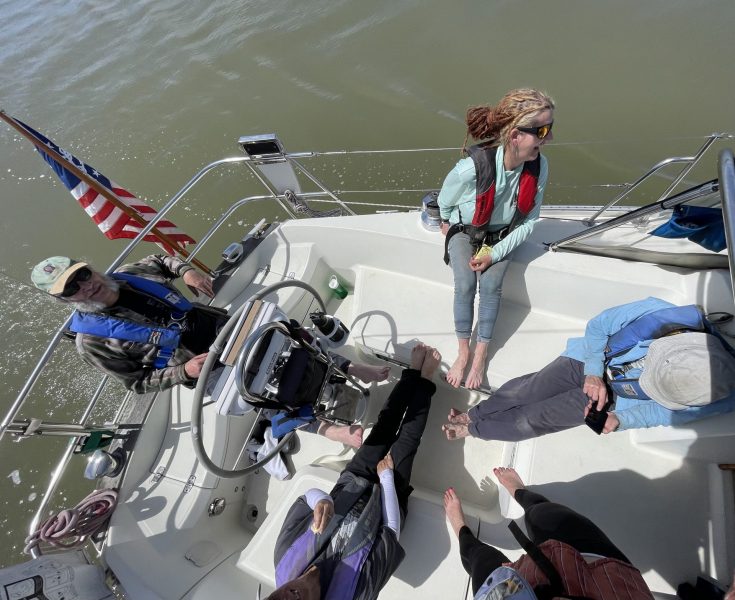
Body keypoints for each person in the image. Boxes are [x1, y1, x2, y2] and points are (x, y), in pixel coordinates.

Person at [31, 254, 389, 448]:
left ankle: (350, 367)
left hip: (223, 324)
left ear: (89, 267)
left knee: (292, 336)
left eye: (82, 274)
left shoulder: (127, 272)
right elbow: (137, 383)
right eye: (71, 289)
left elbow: (162, 260)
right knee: (271, 396)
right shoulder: (90, 343)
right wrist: (182, 374)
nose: (86, 286)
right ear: (63, 300)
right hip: (201, 365)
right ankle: (328, 430)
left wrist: (185, 271)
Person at [265, 344, 441, 600]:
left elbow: (304, 500)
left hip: (353, 481)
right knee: (408, 440)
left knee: (384, 426)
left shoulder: (283, 555)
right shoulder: (358, 593)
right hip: (387, 504)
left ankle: (412, 372)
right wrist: (388, 480)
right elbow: (391, 533)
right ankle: (426, 380)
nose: (287, 598)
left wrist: (321, 500)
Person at [442, 296, 735, 442]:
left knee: (530, 422)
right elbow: (600, 326)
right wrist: (594, 372)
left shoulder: (720, 396)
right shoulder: (660, 314)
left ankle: (475, 429)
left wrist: (618, 421)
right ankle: (474, 413)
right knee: (526, 389)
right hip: (591, 360)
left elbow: (663, 412)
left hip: (617, 401)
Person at [439, 88, 555, 389]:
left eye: (549, 129)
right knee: (465, 284)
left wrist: (494, 252)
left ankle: (481, 354)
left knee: (491, 286)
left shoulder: (539, 167)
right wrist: (445, 223)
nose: (549, 138)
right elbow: (445, 201)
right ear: (515, 135)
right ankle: (463, 352)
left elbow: (530, 221)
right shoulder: (470, 169)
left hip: (503, 235)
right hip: (466, 230)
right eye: (542, 131)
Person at [444, 466, 654, 599]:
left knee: (479, 558)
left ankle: (461, 528)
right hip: (592, 566)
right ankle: (521, 492)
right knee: (542, 514)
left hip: (506, 593)